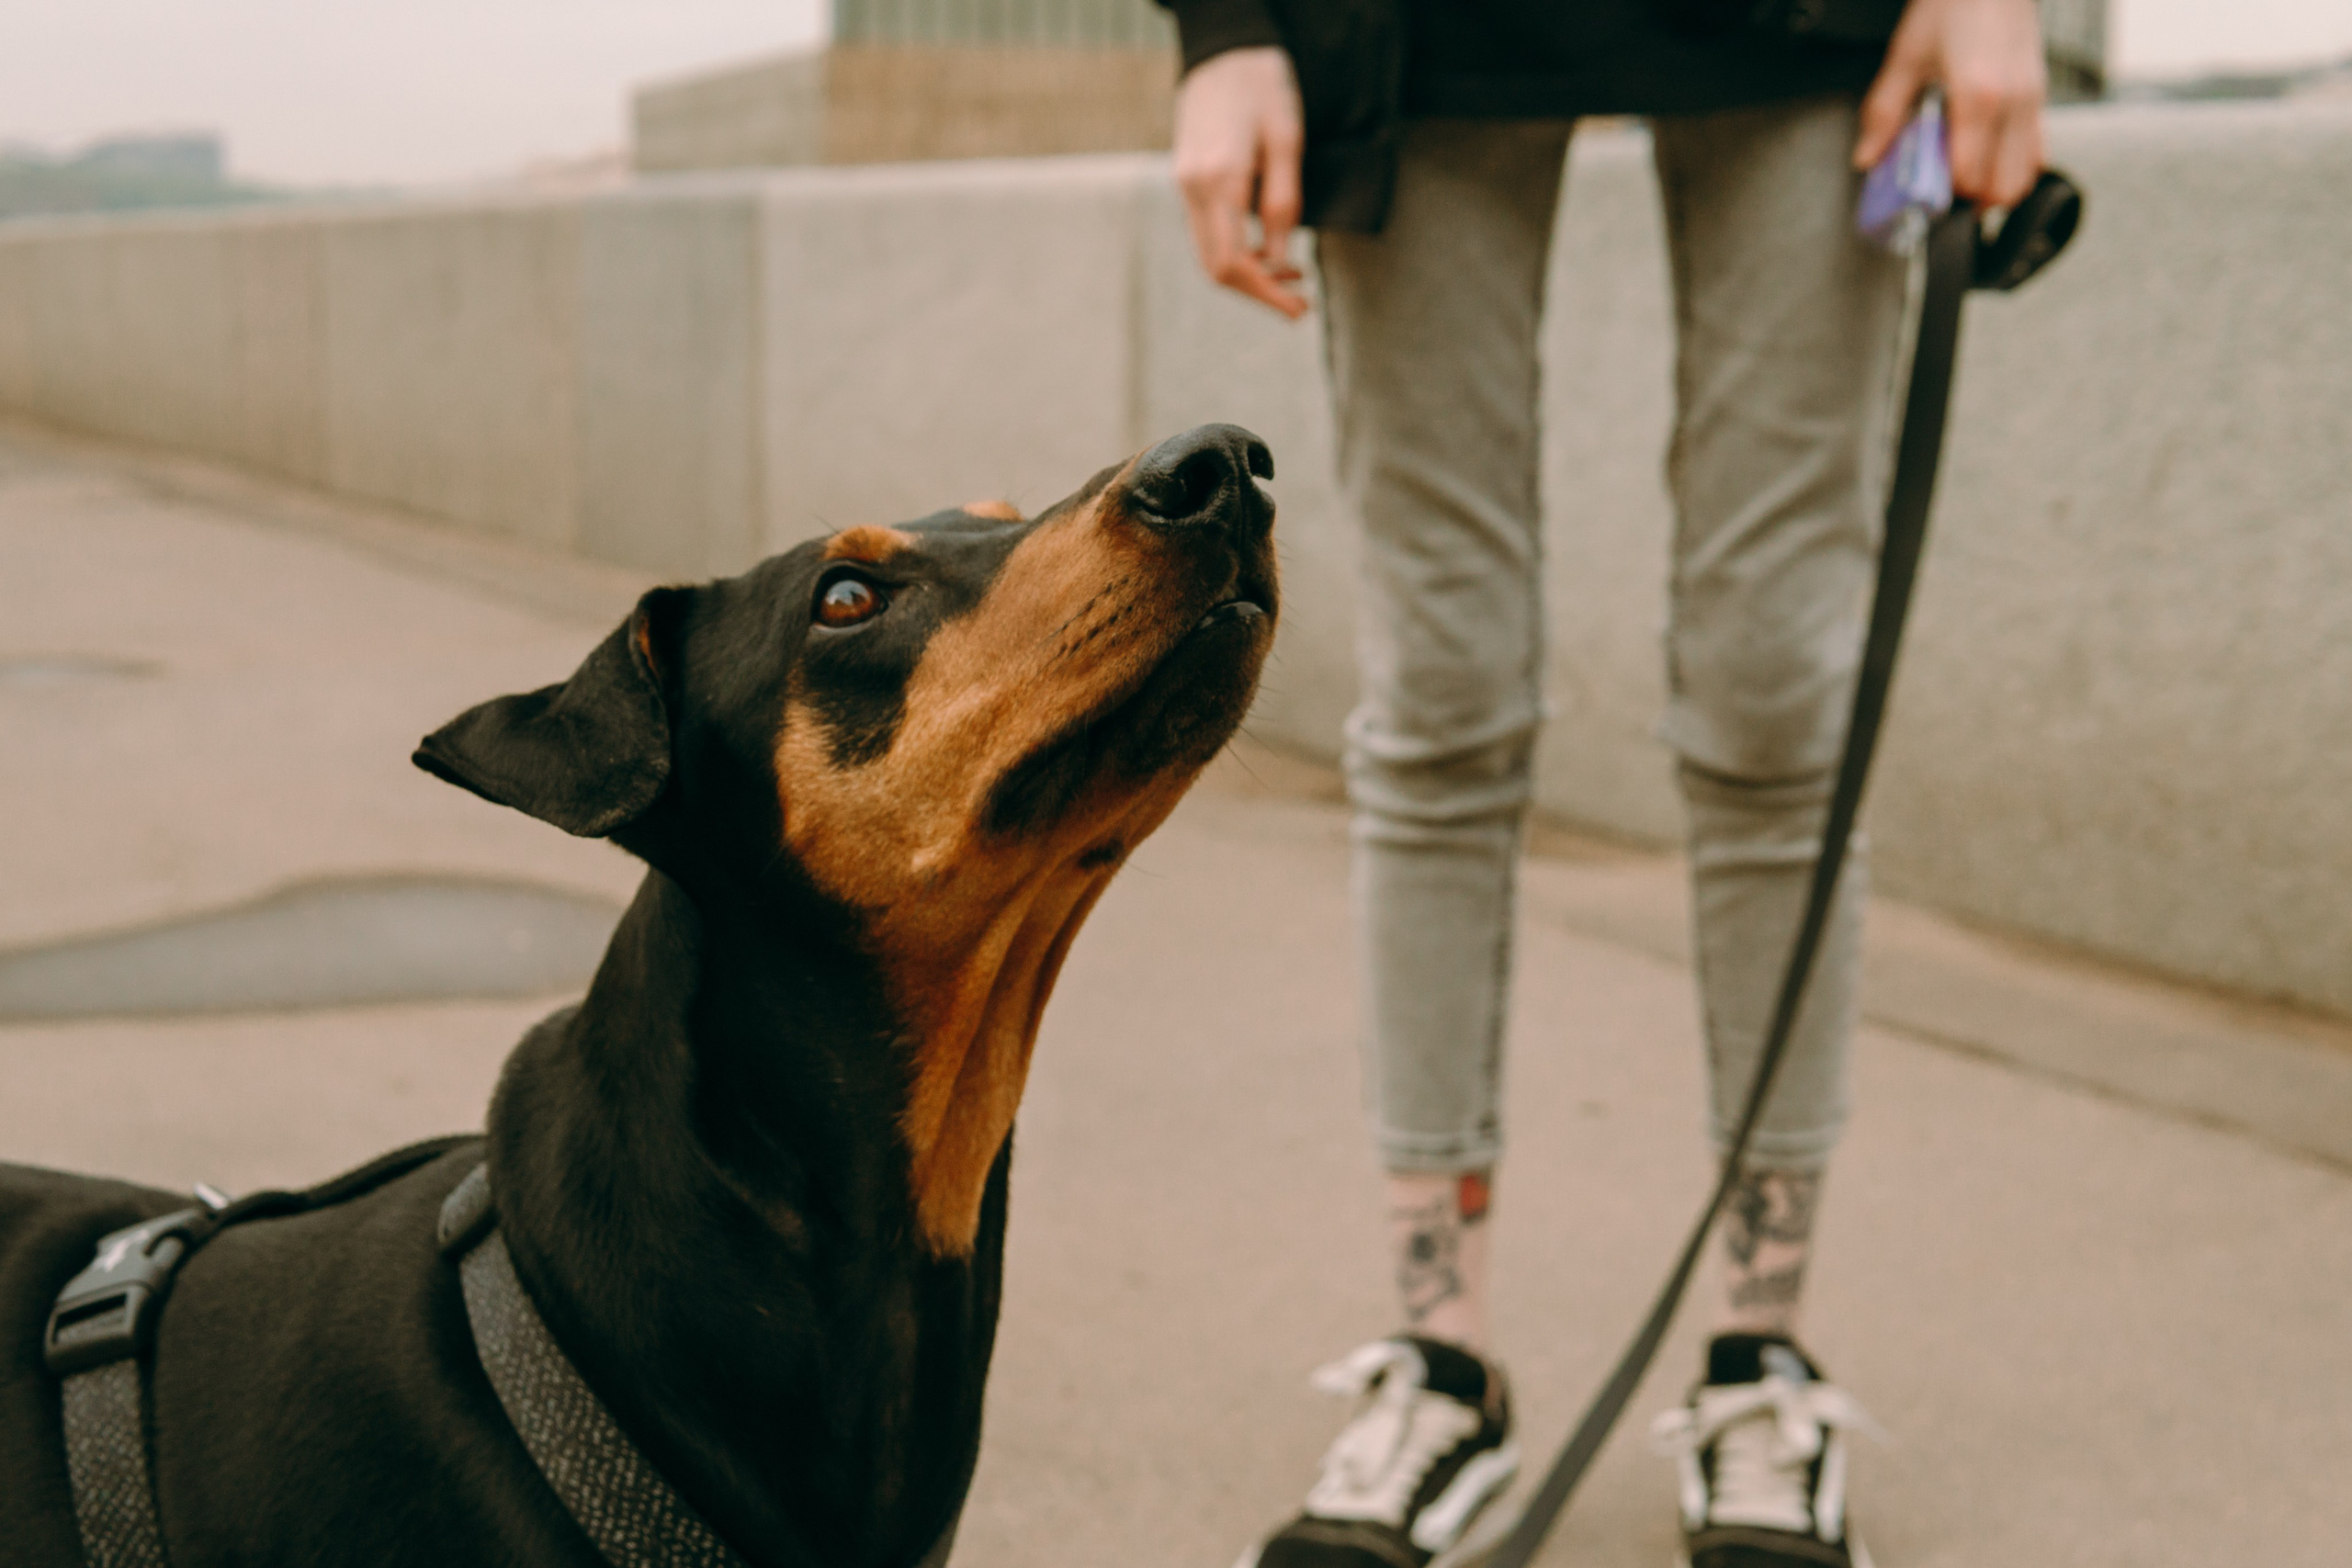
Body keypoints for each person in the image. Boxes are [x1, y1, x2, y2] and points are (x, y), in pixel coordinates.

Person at [1159, 1, 2046, 1564]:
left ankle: (1759, 1354)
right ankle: (1442, 1362)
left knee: (1778, 699)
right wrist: (1225, 24)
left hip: (1807, 37)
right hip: (1411, 43)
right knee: (1441, 692)